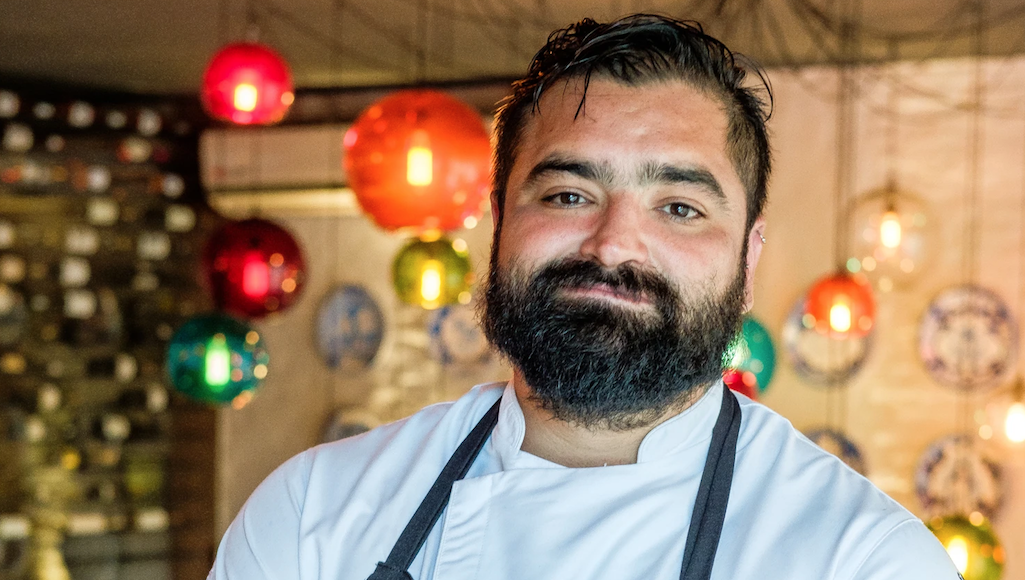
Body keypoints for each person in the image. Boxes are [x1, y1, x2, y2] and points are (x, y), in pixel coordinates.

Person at [209, 14, 960, 580]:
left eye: (680, 208)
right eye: (569, 194)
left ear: (747, 257)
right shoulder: (314, 514)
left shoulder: (865, 560)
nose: (613, 245)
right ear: (500, 222)